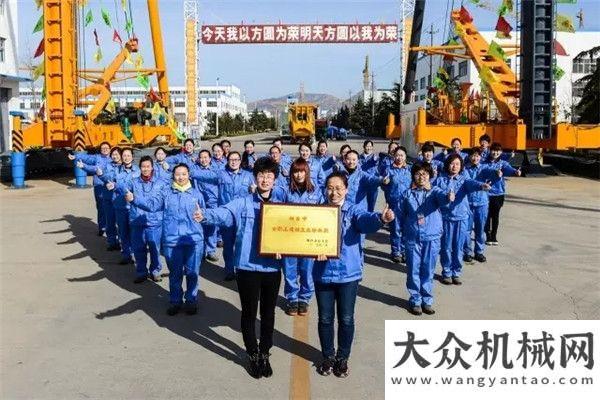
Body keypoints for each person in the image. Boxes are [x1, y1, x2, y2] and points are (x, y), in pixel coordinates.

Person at [199, 157, 287, 379]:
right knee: (249, 312)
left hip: (272, 269)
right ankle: (252, 353)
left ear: (275, 180)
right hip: (247, 267)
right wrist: (205, 215)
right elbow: (224, 213)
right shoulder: (243, 202)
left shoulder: (281, 205)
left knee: (268, 314)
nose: (265, 179)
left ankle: (265, 352)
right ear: (254, 178)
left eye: (269, 176)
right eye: (261, 175)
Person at [313, 172, 395, 378]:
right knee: (324, 318)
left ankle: (342, 358)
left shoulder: (354, 210)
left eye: (339, 188)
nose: (334, 192)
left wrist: (380, 218)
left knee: (346, 319)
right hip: (322, 273)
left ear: (347, 190)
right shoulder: (316, 211)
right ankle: (327, 357)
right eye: (330, 188)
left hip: (348, 274)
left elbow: (366, 220)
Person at [126, 163, 206, 316]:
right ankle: (175, 301)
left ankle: (191, 300)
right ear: (173, 176)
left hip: (193, 241)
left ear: (188, 175)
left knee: (192, 273)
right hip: (172, 241)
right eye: (177, 174)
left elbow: (204, 214)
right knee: (175, 273)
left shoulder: (196, 194)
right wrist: (134, 199)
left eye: (183, 174)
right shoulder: (166, 193)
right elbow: (151, 205)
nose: (180, 177)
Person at [399, 163, 453, 316]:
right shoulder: (407, 194)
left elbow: (443, 199)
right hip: (412, 237)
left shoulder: (435, 192)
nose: (421, 177)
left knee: (428, 270)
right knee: (413, 269)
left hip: (431, 236)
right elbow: (400, 213)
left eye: (424, 174)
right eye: (418, 174)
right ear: (413, 176)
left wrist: (448, 197)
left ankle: (427, 300)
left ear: (430, 175)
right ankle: (415, 300)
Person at [434, 154, 491, 285]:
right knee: (446, 247)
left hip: (461, 218)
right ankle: (447, 272)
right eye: (452, 163)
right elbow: (433, 190)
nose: (455, 166)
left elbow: (472, 183)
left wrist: (481, 186)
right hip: (446, 218)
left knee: (458, 246)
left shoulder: (463, 180)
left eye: (458, 164)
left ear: (461, 167)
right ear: (448, 164)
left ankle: (456, 272)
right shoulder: (440, 180)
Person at [283, 158, 324, 316]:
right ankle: (292, 298)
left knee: (308, 271)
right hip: (289, 239)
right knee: (289, 270)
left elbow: (324, 215)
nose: (298, 175)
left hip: (309, 239)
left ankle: (304, 298)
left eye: (301, 171)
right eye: (295, 171)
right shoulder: (285, 191)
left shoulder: (316, 191)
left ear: (307, 172)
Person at [124, 156, 166, 283]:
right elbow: (122, 187)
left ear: (152, 167)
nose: (145, 169)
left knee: (155, 248)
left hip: (154, 222)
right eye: (143, 167)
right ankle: (141, 272)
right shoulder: (133, 181)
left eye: (148, 166)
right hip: (137, 220)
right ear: (139, 168)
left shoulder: (160, 183)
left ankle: (155, 271)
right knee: (139, 248)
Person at [217, 151, 255, 281]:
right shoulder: (221, 174)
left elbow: (256, 190)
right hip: (227, 216)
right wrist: (188, 172)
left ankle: (241, 269)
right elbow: (204, 175)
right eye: (231, 159)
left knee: (242, 244)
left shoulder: (248, 176)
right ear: (227, 161)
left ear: (240, 161)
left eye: (236, 159)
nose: (234, 162)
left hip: (243, 216)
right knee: (228, 245)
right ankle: (229, 270)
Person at [103, 148, 140, 265]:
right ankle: (126, 255)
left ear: (132, 157)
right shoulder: (116, 170)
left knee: (134, 232)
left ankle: (135, 254)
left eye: (129, 155)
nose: (126, 157)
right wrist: (100, 174)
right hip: (120, 206)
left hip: (133, 206)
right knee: (123, 232)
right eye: (124, 155)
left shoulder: (138, 171)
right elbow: (106, 178)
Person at [463, 148, 499, 263]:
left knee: (480, 229)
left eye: (477, 156)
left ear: (480, 157)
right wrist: (481, 185)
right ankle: (467, 252)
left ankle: (479, 252)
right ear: (469, 157)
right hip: (468, 203)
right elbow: (468, 182)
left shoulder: (483, 168)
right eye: (473, 156)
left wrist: (497, 173)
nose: (475, 158)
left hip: (482, 203)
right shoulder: (464, 169)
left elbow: (490, 172)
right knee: (466, 230)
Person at [483, 142, 521, 245]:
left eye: (498, 151)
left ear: (501, 152)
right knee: (487, 215)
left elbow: (509, 169)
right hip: (486, 193)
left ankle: (494, 236)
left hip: (499, 193)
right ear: (490, 151)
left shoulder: (503, 163)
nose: (495, 152)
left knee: (495, 216)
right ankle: (488, 235)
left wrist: (516, 172)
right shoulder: (484, 163)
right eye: (493, 150)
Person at [70, 141, 112, 236]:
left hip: (110, 186)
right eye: (103, 148)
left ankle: (112, 227)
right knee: (101, 207)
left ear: (110, 149)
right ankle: (102, 227)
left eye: (107, 148)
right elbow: (86, 158)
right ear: (100, 150)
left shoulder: (113, 158)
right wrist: (76, 156)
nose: (105, 150)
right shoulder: (97, 158)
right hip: (99, 186)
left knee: (112, 208)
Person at [381, 146, 412, 264]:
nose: (399, 157)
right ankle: (396, 252)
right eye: (397, 155)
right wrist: (384, 183)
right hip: (394, 203)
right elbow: (383, 186)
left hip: (408, 204)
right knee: (395, 229)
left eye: (402, 155)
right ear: (394, 156)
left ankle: (404, 251)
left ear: (405, 157)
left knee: (406, 228)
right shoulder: (389, 169)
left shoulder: (409, 169)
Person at [190, 150, 220, 262]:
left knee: (212, 227)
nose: (204, 159)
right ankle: (201, 251)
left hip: (213, 202)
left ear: (210, 158)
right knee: (200, 227)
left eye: (206, 157)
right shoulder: (194, 169)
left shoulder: (216, 170)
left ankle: (211, 251)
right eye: (201, 157)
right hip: (199, 203)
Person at [96, 147, 122, 251]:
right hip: (108, 198)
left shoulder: (125, 167)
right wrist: (101, 175)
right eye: (113, 154)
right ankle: (112, 242)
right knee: (110, 222)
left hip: (120, 199)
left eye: (117, 154)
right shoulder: (107, 165)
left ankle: (121, 242)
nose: (115, 156)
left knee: (121, 223)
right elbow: (104, 177)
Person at [359, 140, 380, 211]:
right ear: (364, 147)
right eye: (367, 146)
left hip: (372, 186)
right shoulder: (359, 157)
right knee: (361, 205)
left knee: (371, 206)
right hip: (362, 185)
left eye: (370, 146)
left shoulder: (375, 157)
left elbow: (376, 161)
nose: (369, 148)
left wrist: (375, 159)